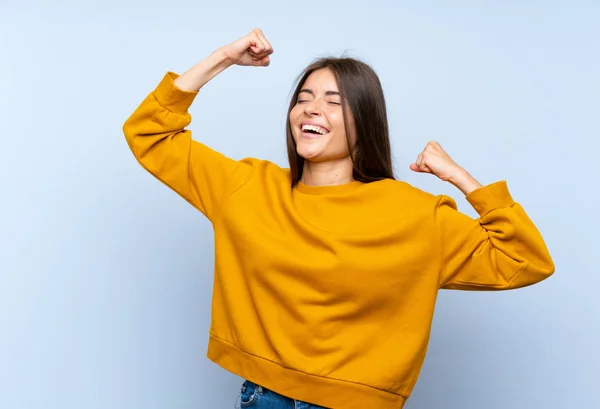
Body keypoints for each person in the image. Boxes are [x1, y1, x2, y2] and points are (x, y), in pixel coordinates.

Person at [122, 28, 555, 409]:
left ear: (363, 122)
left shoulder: (417, 214)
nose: (311, 109)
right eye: (303, 99)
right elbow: (149, 133)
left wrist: (462, 178)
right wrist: (222, 60)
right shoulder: (247, 186)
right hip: (263, 398)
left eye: (333, 102)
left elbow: (525, 259)